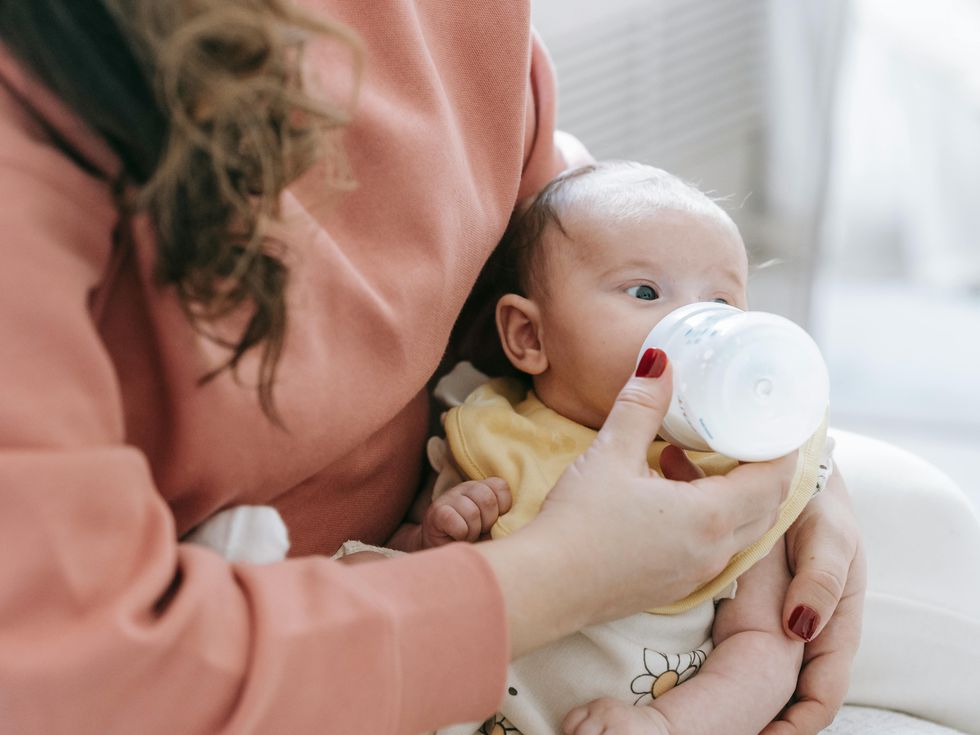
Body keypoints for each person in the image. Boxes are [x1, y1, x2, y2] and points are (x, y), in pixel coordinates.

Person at [0, 2, 865, 733]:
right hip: (275, 638)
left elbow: (530, 205)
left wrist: (768, 430)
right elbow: (86, 663)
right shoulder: (37, 119)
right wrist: (554, 577)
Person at [410, 161, 834, 735]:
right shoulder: (492, 427)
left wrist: (665, 723)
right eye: (646, 291)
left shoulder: (736, 477)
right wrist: (434, 539)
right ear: (530, 336)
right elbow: (402, 577)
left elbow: (764, 646)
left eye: (721, 304)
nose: (692, 323)